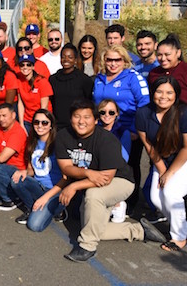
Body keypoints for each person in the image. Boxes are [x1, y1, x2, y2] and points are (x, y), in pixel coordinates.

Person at [56, 100, 166, 263]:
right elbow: (66, 167)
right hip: (93, 179)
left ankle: (87, 247)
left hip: (120, 181)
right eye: (77, 116)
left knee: (93, 196)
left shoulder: (106, 139)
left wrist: (75, 185)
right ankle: (138, 231)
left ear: (95, 120)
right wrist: (88, 173)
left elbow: (106, 178)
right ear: (71, 118)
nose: (81, 121)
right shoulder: (64, 135)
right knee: (89, 227)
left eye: (86, 117)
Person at [136, 76, 187, 251]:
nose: (163, 96)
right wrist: (162, 169)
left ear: (176, 95)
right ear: (153, 92)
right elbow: (149, 146)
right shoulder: (143, 113)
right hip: (162, 159)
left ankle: (178, 237)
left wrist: (169, 173)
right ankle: (186, 229)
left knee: (171, 192)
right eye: (159, 91)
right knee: (156, 197)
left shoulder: (186, 114)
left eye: (169, 92)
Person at [148, 34, 187, 233]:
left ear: (178, 53)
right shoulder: (154, 74)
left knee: (185, 179)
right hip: (162, 134)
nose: (163, 58)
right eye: (159, 55)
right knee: (160, 176)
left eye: (167, 54)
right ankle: (174, 218)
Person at [93, 45, 149, 212]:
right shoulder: (99, 78)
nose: (113, 63)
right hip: (104, 129)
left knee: (129, 166)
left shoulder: (133, 77)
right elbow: (96, 103)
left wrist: (135, 129)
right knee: (105, 164)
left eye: (117, 60)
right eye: (109, 59)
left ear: (125, 61)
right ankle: (108, 199)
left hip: (128, 130)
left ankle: (130, 201)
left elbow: (145, 104)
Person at [10, 109, 64, 227]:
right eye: (36, 122)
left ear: (51, 126)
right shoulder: (32, 142)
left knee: (34, 225)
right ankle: (32, 208)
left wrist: (46, 197)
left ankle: (58, 209)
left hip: (55, 190)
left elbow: (66, 177)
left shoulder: (58, 144)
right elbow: (31, 170)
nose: (40, 126)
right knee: (16, 180)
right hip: (38, 186)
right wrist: (24, 172)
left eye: (44, 123)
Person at [49, 44, 94, 130]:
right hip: (58, 126)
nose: (66, 60)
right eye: (63, 57)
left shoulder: (84, 79)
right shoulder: (53, 79)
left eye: (70, 57)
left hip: (78, 126)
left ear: (75, 60)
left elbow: (89, 100)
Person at [16, 54, 53, 132]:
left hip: (42, 120)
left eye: (28, 64)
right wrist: (21, 124)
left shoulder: (42, 81)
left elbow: (44, 107)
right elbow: (20, 103)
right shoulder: (19, 81)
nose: (25, 67)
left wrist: (40, 124)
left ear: (33, 67)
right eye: (22, 65)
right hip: (27, 119)